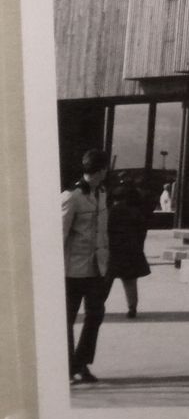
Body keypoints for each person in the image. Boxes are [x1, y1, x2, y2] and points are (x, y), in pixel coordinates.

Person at [61, 149, 110, 384]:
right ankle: (66, 366)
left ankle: (80, 362)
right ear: (101, 170)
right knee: (66, 319)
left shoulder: (102, 193)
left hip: (96, 268)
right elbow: (58, 235)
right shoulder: (72, 196)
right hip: (72, 270)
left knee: (96, 315)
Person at [106, 186, 151, 319]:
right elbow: (142, 232)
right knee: (130, 281)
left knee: (106, 280)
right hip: (131, 251)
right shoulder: (137, 212)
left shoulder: (111, 212)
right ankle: (132, 307)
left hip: (113, 251)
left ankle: (98, 305)